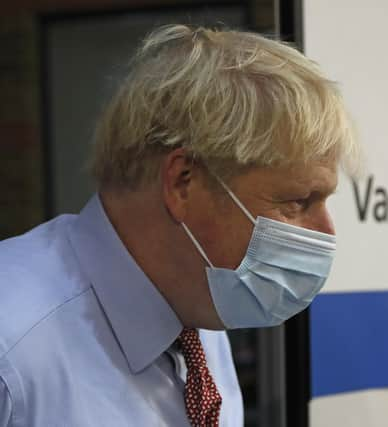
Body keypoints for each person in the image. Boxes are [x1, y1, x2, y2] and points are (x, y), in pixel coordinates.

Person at [0, 24, 358, 427]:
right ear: (182, 181)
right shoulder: (13, 347)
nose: (325, 232)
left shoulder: (197, 311)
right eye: (297, 202)